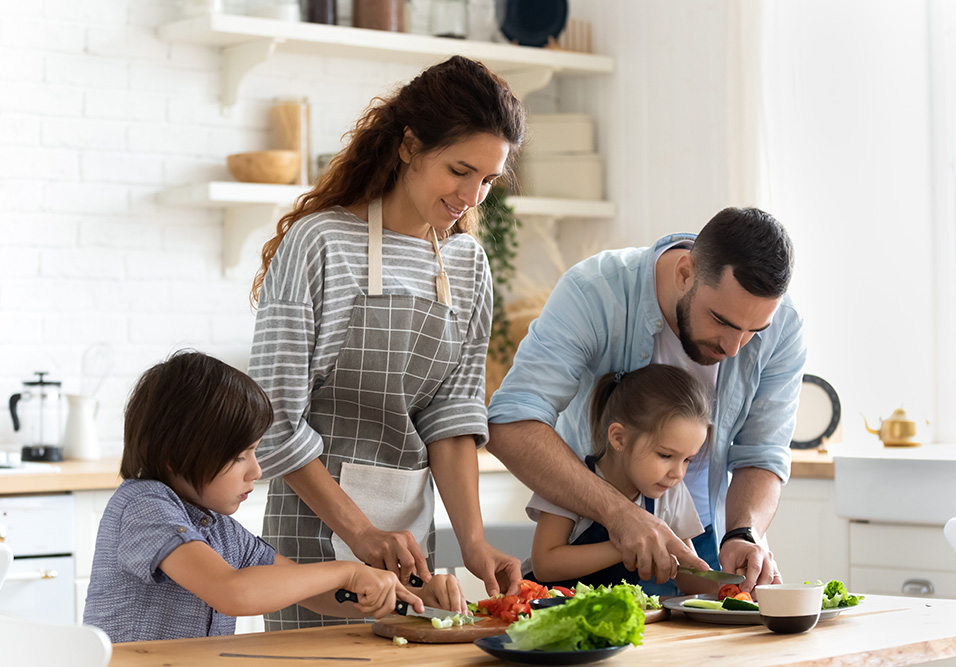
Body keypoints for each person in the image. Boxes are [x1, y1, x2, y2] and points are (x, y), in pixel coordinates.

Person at [248, 55, 526, 629]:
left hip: (412, 551)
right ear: (408, 146)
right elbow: (275, 419)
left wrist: (473, 543)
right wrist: (360, 532)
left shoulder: (468, 264)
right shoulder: (320, 243)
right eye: (459, 169)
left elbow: (450, 415)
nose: (472, 197)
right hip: (315, 541)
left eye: (488, 180)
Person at [488, 207, 804, 592]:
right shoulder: (595, 291)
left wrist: (744, 532)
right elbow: (510, 423)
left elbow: (762, 453)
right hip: (590, 514)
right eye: (722, 321)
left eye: (755, 330)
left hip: (703, 537)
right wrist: (622, 516)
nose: (734, 347)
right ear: (685, 272)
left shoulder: (784, 326)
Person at [83, 351, 459, 643]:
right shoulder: (143, 506)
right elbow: (232, 593)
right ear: (175, 455)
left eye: (254, 452)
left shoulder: (222, 532)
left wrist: (413, 594)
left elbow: (308, 590)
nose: (257, 471)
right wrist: (349, 569)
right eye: (238, 456)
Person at [523, 364, 712, 594]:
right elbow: (545, 565)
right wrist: (628, 544)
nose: (677, 473)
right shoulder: (569, 480)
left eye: (687, 460)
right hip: (541, 610)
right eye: (665, 455)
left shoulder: (671, 492)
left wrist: (733, 582)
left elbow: (693, 583)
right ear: (619, 438)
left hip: (607, 616)